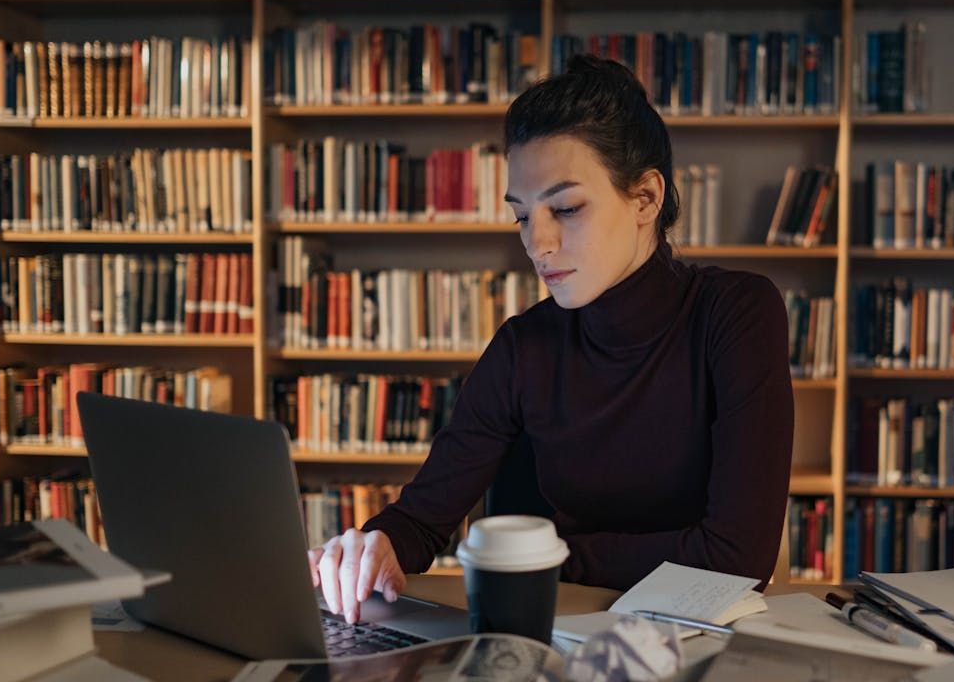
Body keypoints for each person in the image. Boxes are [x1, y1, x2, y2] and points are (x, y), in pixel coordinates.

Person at [308, 55, 794, 624]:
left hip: (702, 640)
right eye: (522, 216)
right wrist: (372, 549)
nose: (538, 244)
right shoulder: (523, 345)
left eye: (565, 208)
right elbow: (420, 520)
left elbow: (737, 557)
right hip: (559, 639)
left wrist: (546, 560)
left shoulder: (737, 312)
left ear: (645, 199)